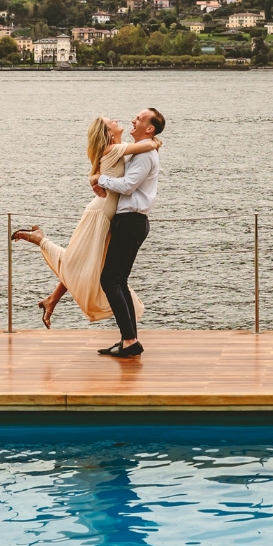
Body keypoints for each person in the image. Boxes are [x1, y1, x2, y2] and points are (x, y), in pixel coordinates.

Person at [11, 115, 160, 328]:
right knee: (79, 261)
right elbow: (144, 147)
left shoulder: (118, 149)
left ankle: (51, 299)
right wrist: (155, 141)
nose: (118, 120)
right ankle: (40, 240)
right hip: (99, 214)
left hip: (106, 213)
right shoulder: (114, 150)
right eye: (112, 121)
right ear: (108, 133)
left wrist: (96, 178)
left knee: (85, 262)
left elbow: (138, 154)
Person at [92, 107, 164, 359]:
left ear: (150, 128)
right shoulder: (140, 150)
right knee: (118, 281)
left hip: (132, 220)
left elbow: (127, 185)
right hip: (128, 220)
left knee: (109, 280)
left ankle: (130, 340)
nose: (133, 120)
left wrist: (100, 179)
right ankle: (129, 340)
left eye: (139, 119)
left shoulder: (145, 155)